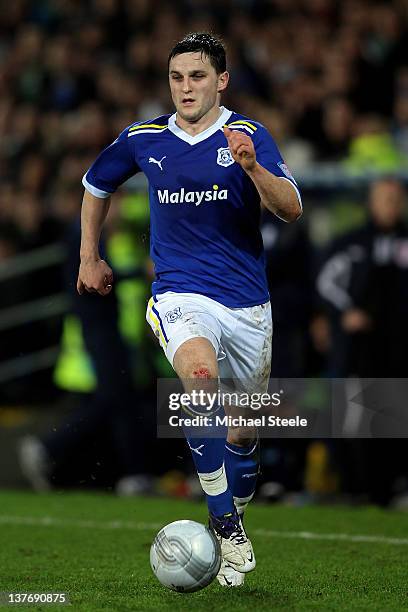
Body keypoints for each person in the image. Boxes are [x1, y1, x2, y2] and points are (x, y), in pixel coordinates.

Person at [77, 33, 302, 587]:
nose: (185, 88)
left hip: (247, 303)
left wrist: (252, 169)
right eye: (177, 78)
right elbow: (94, 183)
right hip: (180, 292)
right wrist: (90, 256)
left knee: (245, 433)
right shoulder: (143, 138)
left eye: (197, 77)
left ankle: (231, 526)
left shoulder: (247, 136)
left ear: (221, 80)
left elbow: (291, 208)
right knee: (199, 381)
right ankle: (225, 525)